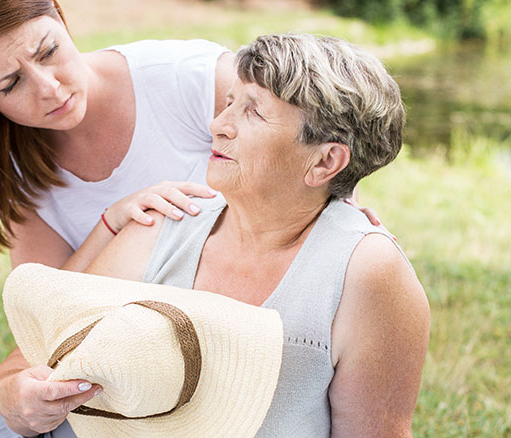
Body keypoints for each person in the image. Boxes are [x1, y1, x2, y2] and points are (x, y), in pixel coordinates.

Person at [0, 1, 382, 436]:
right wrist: (111, 225)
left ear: (60, 16)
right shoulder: (12, 167)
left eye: (49, 51)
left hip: (214, 369)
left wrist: (343, 213)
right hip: (111, 383)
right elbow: (46, 323)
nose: (49, 88)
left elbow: (314, 144)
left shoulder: (189, 80)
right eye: (11, 85)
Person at [82, 34, 431, 437]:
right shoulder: (166, 222)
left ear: (325, 161)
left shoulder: (367, 273)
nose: (218, 126)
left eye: (253, 112)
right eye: (229, 102)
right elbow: (56, 350)